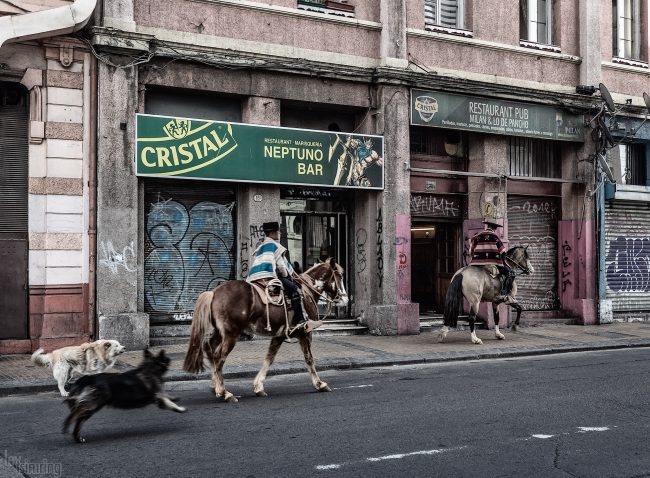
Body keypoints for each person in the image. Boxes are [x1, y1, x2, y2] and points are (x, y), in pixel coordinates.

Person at [247, 221, 322, 334]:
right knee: (295, 290)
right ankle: (301, 321)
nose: (280, 233)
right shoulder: (275, 246)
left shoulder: (261, 246)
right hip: (268, 276)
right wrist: (287, 276)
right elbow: (281, 266)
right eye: (278, 231)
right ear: (272, 233)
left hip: (254, 278)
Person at [469, 218, 515, 301]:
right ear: (495, 227)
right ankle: (504, 293)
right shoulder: (495, 236)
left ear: (487, 225)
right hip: (492, 263)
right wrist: (503, 261)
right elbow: (502, 251)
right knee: (510, 273)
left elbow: (471, 247)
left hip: (476, 263)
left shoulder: (478, 235)